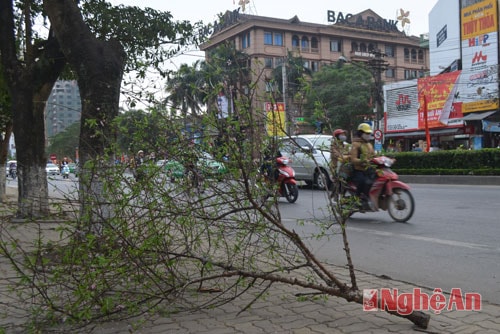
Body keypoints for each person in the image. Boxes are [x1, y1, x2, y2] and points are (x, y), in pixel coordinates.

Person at [349, 123, 376, 207]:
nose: (368, 135)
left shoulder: (369, 145)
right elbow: (353, 159)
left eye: (369, 134)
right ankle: (358, 199)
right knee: (363, 181)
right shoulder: (355, 144)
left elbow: (374, 156)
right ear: (360, 133)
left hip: (368, 168)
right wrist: (362, 161)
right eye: (366, 133)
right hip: (358, 170)